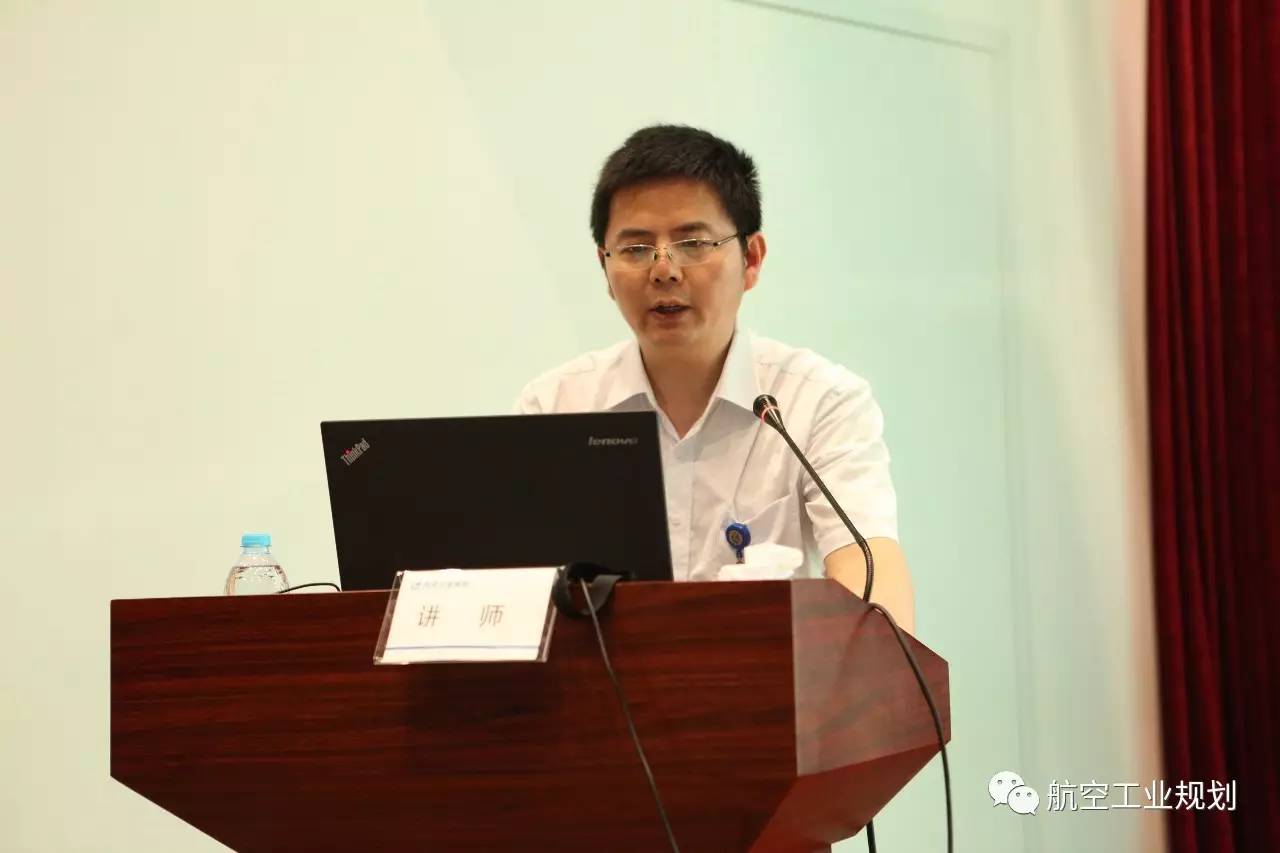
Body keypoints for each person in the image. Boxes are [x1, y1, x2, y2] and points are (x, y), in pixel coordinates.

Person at [516, 124, 915, 633]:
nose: (664, 270)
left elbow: (870, 572)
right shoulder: (556, 407)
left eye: (693, 243)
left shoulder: (819, 402)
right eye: (636, 249)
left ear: (751, 259)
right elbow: (518, 597)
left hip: (763, 681)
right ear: (605, 269)